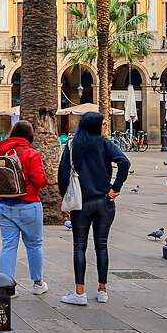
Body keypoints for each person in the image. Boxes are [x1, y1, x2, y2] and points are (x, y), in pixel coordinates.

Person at [56, 111, 130, 306]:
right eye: (103, 125)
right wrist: (115, 188)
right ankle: (102, 289)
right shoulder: (105, 144)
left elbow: (62, 174)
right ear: (95, 126)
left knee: (79, 247)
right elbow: (124, 162)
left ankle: (79, 292)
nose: (105, 128)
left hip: (81, 203)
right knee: (102, 245)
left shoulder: (73, 145)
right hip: (104, 202)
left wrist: (65, 199)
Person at [0, 120, 48, 296]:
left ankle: (6, 286)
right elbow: (40, 181)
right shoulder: (31, 154)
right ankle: (38, 283)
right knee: (34, 244)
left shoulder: (0, 152)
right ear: (30, 135)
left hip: (2, 203)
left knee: (8, 245)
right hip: (28, 204)